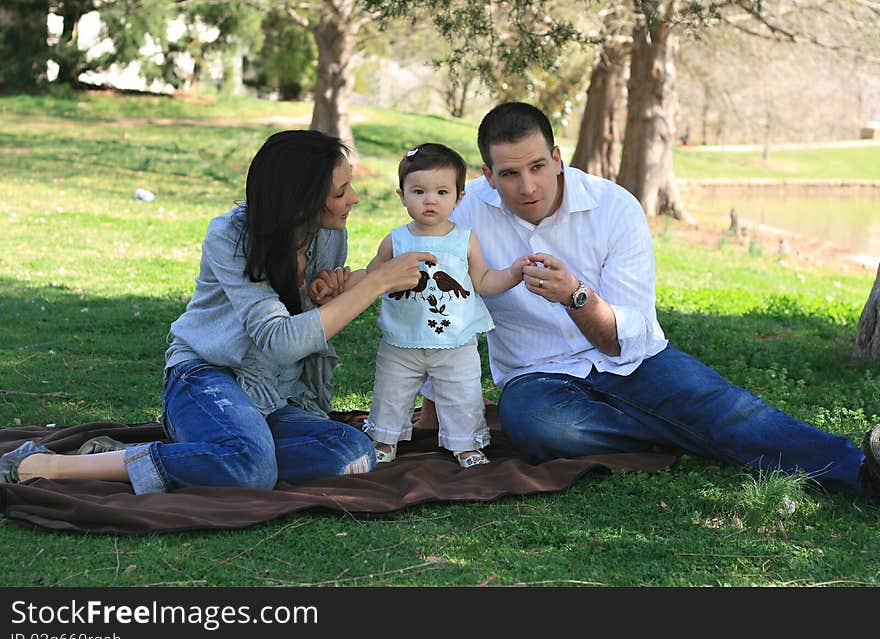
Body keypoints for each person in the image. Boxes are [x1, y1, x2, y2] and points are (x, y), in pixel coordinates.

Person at [418, 101, 880, 500]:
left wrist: (576, 296)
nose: (528, 187)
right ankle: (688, 428)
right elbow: (436, 304)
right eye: (510, 174)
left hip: (632, 359)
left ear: (557, 158)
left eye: (538, 166)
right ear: (487, 175)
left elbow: (626, 337)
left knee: (730, 408)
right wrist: (433, 401)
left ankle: (862, 472)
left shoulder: (615, 207)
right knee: (538, 428)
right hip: (535, 375)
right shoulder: (463, 211)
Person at [1, 130, 436, 492]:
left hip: (271, 394)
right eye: (341, 191)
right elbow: (281, 341)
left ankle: (204, 452)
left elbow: (307, 331)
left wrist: (327, 295)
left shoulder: (327, 236)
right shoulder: (231, 235)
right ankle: (46, 465)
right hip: (204, 378)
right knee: (253, 470)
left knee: (353, 451)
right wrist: (376, 283)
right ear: (301, 200)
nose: (355, 198)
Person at [362, 143, 528, 468]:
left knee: (462, 395)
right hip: (402, 339)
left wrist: (512, 273)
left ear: (459, 197)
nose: (430, 200)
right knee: (390, 392)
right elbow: (371, 277)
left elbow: (482, 281)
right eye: (419, 191)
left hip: (456, 341)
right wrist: (344, 284)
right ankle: (384, 440)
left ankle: (466, 445)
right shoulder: (395, 240)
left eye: (441, 191)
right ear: (402, 195)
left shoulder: (465, 239)